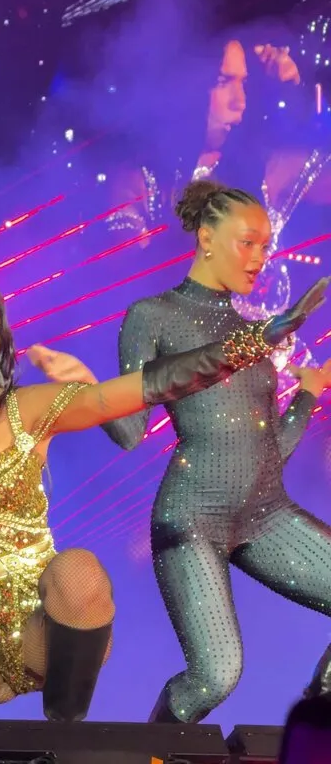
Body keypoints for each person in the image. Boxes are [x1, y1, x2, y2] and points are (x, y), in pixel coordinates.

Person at [0, 270, 325, 742]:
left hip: (46, 630)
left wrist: (252, 342)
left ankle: (65, 738)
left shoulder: (27, 408)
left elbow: (151, 385)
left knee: (79, 570)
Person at [96, 179, 331, 722]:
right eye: (247, 243)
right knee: (216, 676)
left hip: (266, 514)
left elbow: (270, 454)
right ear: (206, 237)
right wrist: (87, 390)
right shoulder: (153, 316)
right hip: (193, 520)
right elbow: (129, 433)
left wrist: (308, 396)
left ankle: (315, 736)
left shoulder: (254, 337)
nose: (260, 258)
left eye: (265, 245)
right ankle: (152, 757)